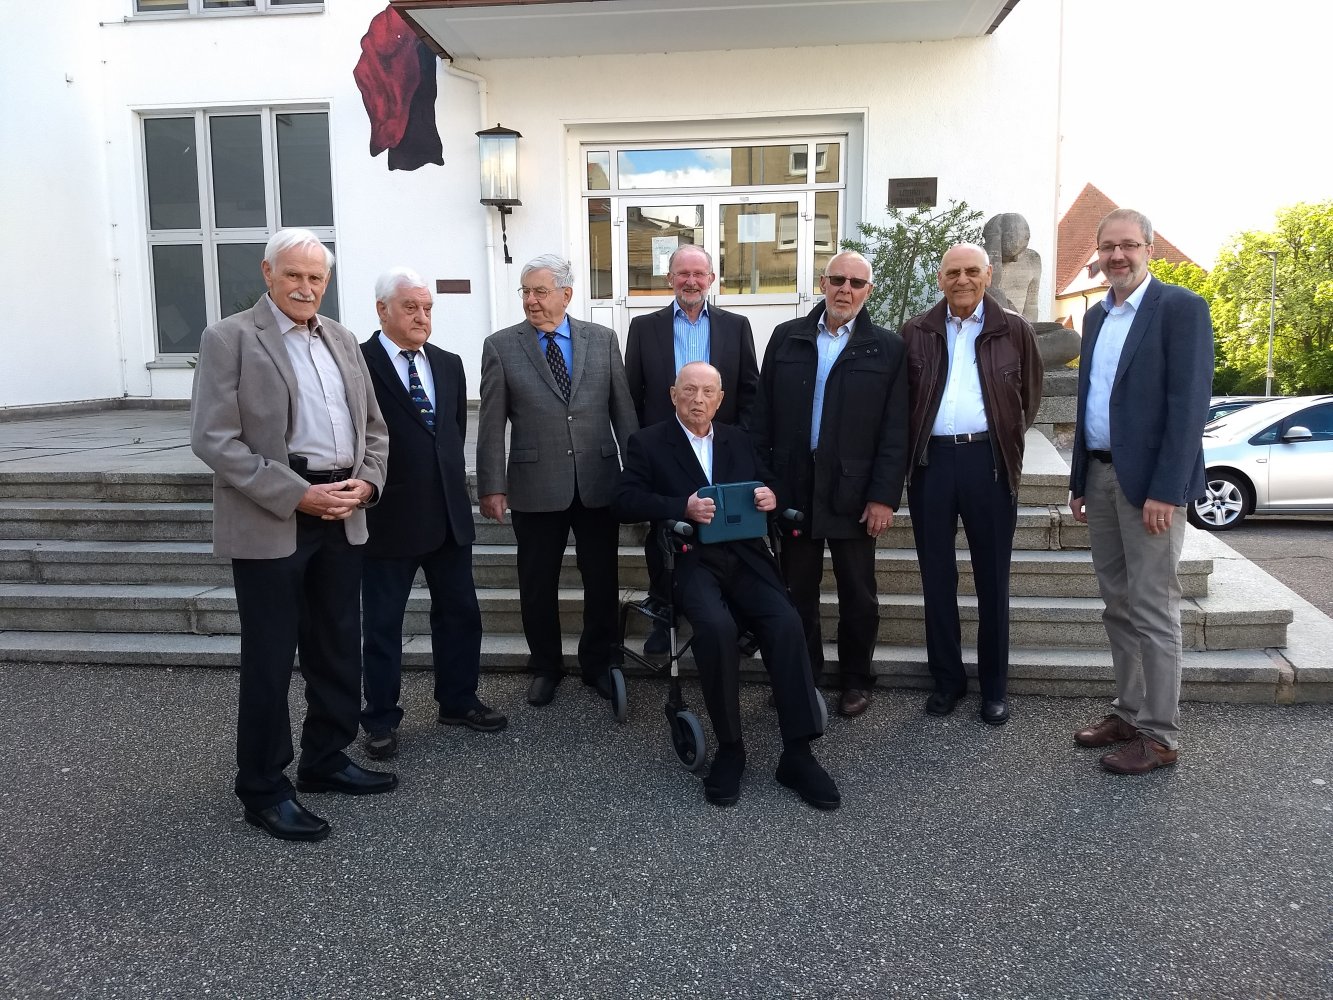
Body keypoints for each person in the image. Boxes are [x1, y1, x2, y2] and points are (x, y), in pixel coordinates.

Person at [190, 228, 395, 843]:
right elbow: (214, 438)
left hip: (342, 509)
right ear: (268, 273)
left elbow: (374, 427)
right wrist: (295, 493)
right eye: (294, 275)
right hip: (273, 512)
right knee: (271, 658)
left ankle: (325, 759)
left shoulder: (342, 339)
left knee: (337, 646)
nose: (306, 288)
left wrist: (368, 483)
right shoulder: (229, 337)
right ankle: (263, 788)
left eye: (316, 277)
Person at [614, 362, 838, 810]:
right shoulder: (648, 442)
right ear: (673, 394)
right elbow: (624, 501)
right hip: (688, 559)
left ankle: (797, 754)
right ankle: (731, 748)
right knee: (715, 629)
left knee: (786, 621)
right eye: (689, 390)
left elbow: (769, 483)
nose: (698, 400)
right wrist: (681, 506)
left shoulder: (738, 439)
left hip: (747, 556)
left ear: (720, 399)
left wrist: (772, 497)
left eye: (707, 392)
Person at [1069, 208, 1214, 774]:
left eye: (1128, 245)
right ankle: (1128, 712)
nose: (1117, 256)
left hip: (1151, 487)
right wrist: (1080, 478)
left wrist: (1168, 489)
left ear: (1149, 249)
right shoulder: (1096, 317)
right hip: (1101, 475)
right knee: (1117, 606)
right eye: (1108, 246)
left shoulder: (1180, 308)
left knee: (1153, 608)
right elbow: (1089, 401)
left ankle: (1159, 734)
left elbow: (1188, 406)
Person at [750, 250, 909, 718]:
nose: (846, 290)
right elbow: (762, 417)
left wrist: (883, 497)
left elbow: (895, 430)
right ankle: (804, 677)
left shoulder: (887, 347)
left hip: (853, 492)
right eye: (838, 279)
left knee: (858, 594)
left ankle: (856, 679)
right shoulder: (787, 337)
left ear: (868, 291)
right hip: (794, 488)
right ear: (823, 283)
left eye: (856, 283)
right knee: (796, 591)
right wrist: (767, 482)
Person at [477, 254, 638, 707]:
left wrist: (637, 476)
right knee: (537, 582)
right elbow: (490, 423)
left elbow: (623, 412)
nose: (531, 300)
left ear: (566, 294)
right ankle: (545, 666)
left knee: (602, 580)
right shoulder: (501, 346)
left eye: (540, 291)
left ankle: (599, 663)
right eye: (525, 291)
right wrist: (492, 485)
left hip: (597, 481)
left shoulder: (602, 340)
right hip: (535, 483)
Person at [358, 268, 505, 762]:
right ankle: (380, 719)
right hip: (388, 517)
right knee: (383, 624)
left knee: (460, 613)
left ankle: (458, 701)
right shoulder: (358, 363)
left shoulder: (447, 363)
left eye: (427, 308)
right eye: (411, 308)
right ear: (382, 310)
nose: (422, 317)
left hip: (446, 514)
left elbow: (450, 435)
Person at [900, 243, 1044, 726]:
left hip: (989, 462)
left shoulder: (1014, 330)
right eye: (953, 272)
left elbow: (1029, 399)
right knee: (936, 578)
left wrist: (1001, 441)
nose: (962, 280)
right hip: (931, 463)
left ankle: (994, 687)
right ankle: (947, 680)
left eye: (971, 271)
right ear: (940, 278)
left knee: (992, 580)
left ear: (988, 276)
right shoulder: (917, 331)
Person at [624, 244, 759, 654]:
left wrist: (737, 442)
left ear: (711, 279)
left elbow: (749, 391)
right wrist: (643, 447)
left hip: (719, 449)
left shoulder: (736, 326)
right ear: (670, 279)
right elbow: (632, 393)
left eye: (699, 274)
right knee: (662, 533)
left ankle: (728, 614)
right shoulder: (644, 327)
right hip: (665, 451)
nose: (691, 281)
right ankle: (664, 613)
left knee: (723, 533)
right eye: (683, 273)